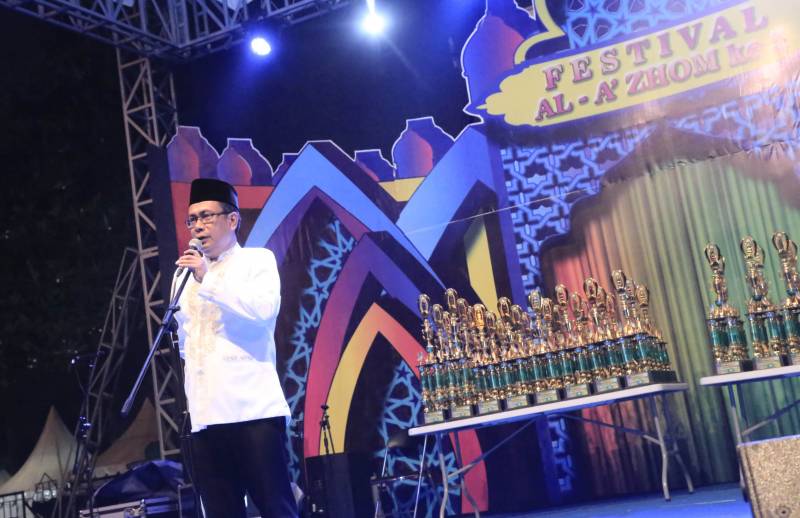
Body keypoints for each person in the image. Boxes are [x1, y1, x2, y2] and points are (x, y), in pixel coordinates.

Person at [173, 178, 298, 518]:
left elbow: (263, 310)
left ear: (232, 220)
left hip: (252, 411)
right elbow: (186, 340)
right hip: (206, 416)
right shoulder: (183, 276)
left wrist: (207, 277)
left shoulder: (257, 261)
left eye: (206, 216)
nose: (198, 226)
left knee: (275, 507)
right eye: (192, 219)